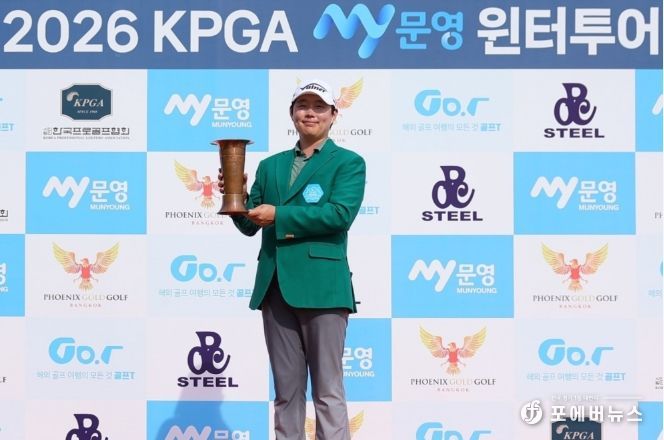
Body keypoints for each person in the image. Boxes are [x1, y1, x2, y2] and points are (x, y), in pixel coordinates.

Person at [218, 79, 366, 440]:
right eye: (303, 106)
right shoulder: (271, 166)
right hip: (276, 287)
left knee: (328, 391)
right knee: (286, 393)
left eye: (319, 107)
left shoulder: (348, 163)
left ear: (334, 115)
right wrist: (236, 197)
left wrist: (279, 215)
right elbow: (250, 225)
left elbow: (339, 215)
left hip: (324, 288)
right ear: (292, 114)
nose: (310, 113)